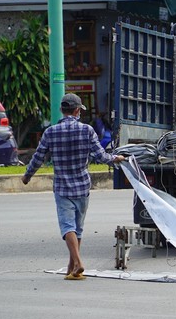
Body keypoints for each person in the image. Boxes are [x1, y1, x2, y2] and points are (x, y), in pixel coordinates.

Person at [22, 94, 126, 281]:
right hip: (82, 186)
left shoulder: (50, 132)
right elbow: (101, 156)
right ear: (77, 111)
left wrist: (27, 176)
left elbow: (38, 158)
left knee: (67, 227)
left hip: (62, 187)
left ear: (62, 111)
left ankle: (76, 263)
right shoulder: (87, 130)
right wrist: (115, 159)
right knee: (77, 228)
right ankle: (72, 267)